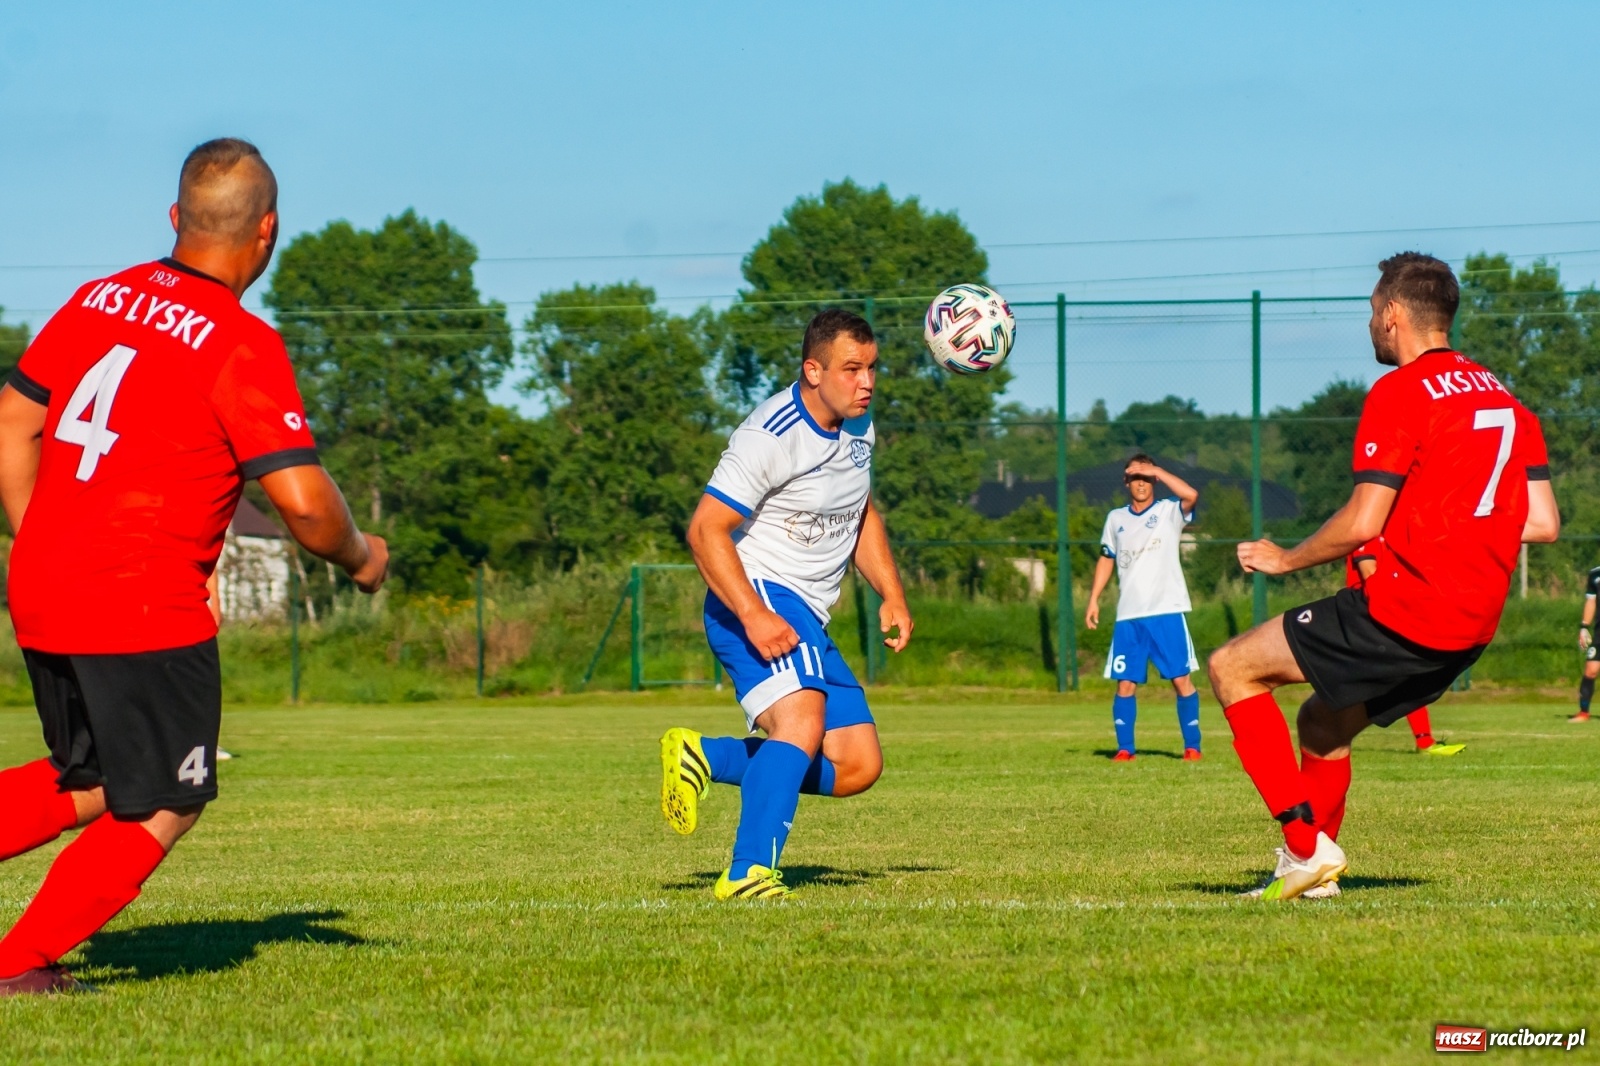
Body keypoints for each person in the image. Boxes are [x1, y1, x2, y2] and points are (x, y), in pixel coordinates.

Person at [0, 138, 388, 995]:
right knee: (168, 797)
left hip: (42, 583)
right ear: (270, 231)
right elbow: (305, 506)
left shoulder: (96, 299)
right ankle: (17, 965)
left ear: (176, 219)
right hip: (138, 602)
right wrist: (364, 557)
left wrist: (43, 538)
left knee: (91, 779)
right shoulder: (238, 343)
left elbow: (10, 424)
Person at [1207, 252, 1559, 902]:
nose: (1371, 323)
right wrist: (1450, 521)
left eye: (1372, 311)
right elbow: (1543, 523)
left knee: (1232, 666)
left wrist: (1283, 559)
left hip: (1409, 608)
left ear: (1393, 314)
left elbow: (1364, 519)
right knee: (1323, 724)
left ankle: (1303, 848)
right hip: (1470, 625)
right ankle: (1314, 882)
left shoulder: (1401, 391)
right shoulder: (1507, 399)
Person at [658, 309, 912, 901]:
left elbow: (861, 509)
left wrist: (892, 592)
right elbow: (704, 531)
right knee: (800, 720)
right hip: (757, 594)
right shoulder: (769, 435)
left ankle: (706, 756)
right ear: (813, 369)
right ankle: (748, 871)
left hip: (808, 612)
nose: (867, 382)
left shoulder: (858, 424)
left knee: (856, 765)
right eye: (852, 369)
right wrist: (753, 613)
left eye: (873, 368)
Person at [1085, 454, 1203, 761]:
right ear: (1126, 482)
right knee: (1125, 683)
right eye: (1136, 477)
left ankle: (1192, 746)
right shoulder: (1115, 519)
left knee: (1181, 679)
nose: (1142, 483)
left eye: (1147, 478)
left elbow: (1191, 495)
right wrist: (1094, 598)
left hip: (1167, 610)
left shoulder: (1168, 511)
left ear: (1154, 480)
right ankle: (1125, 749)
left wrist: (1158, 470)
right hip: (1129, 616)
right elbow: (1106, 558)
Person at [1346, 541, 1464, 755]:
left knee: (1402, 677)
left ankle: (1425, 741)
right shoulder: (1370, 532)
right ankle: (1424, 742)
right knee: (1399, 676)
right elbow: (1368, 572)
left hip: (1383, 613)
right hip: (1369, 614)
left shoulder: (1394, 533)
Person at [1573, 565, 1600, 722]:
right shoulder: (1595, 574)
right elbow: (1591, 602)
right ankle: (1584, 712)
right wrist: (1584, 627)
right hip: (1599, 633)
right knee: (1591, 670)